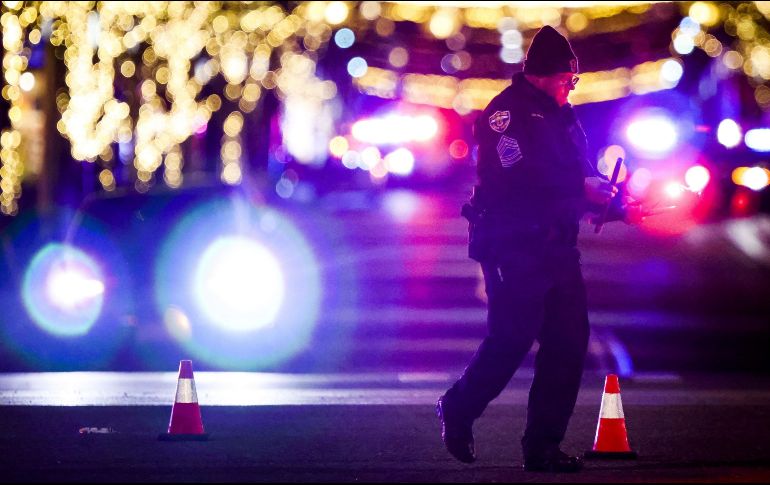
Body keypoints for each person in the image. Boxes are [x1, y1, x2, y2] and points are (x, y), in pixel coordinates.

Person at [436, 25, 639, 473]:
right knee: (511, 338)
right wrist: (580, 185)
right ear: (546, 74)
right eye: (569, 78)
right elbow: (519, 175)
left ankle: (543, 446)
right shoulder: (504, 115)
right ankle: (459, 408)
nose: (572, 86)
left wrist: (618, 205)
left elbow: (580, 179)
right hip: (514, 246)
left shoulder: (563, 115)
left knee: (568, 342)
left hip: (557, 248)